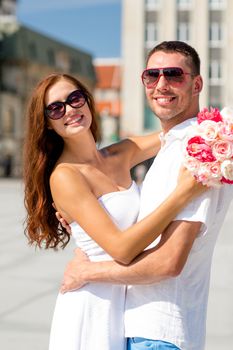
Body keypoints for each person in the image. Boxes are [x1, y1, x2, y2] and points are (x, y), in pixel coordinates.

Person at [60, 41, 233, 350]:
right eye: (152, 75)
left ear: (197, 84)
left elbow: (168, 262)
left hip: (160, 332)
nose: (161, 84)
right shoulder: (175, 143)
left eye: (174, 74)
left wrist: (88, 271)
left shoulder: (198, 153)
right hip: (136, 326)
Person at [23, 72, 205, 350]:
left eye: (75, 99)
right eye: (56, 108)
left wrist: (218, 131)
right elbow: (121, 248)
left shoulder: (119, 153)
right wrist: (182, 194)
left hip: (129, 300)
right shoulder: (65, 176)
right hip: (94, 303)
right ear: (47, 123)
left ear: (87, 101)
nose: (70, 110)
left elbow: (176, 133)